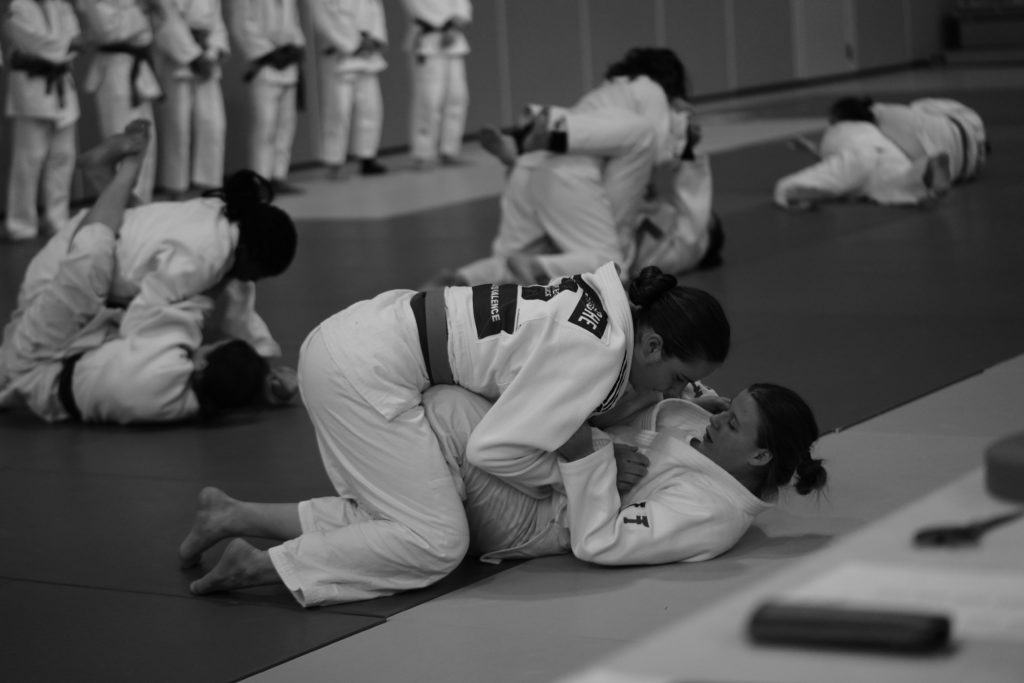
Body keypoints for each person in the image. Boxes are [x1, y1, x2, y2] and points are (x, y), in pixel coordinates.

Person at [178, 263, 731, 605]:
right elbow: (492, 449)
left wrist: (687, 398)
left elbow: (611, 393)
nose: (675, 390)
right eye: (678, 378)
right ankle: (267, 566)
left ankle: (232, 515)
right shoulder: (597, 357)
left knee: (410, 508)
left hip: (363, 339)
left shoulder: (609, 313)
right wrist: (586, 465)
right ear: (652, 345)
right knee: (435, 543)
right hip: (365, 374)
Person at [178, 377, 827, 603]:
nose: (719, 418)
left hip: (537, 519)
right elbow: (672, 421)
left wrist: (584, 457)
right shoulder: (711, 443)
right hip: (547, 482)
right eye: (727, 407)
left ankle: (269, 565)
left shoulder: (710, 512)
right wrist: (695, 400)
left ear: (760, 455)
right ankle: (238, 516)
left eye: (733, 421)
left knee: (450, 417)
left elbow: (600, 542)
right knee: (422, 494)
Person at [0, 122, 298, 423]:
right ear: (248, 253)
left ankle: (106, 174)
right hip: (61, 266)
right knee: (93, 258)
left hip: (108, 248)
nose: (254, 280)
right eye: (259, 273)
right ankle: (125, 169)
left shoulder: (227, 219)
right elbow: (145, 315)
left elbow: (236, 309)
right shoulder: (204, 259)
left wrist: (263, 368)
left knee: (126, 253)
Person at [427, 47, 691, 288]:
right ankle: (537, 266)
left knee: (514, 265)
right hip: (570, 174)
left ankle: (461, 279)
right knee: (612, 270)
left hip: (529, 166)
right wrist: (682, 129)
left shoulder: (604, 92)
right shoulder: (651, 89)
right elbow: (659, 152)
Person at [775, 96, 952, 211]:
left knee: (784, 186)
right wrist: (810, 148)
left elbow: (831, 154)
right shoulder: (874, 130)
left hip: (856, 157)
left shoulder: (837, 129)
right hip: (885, 154)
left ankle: (800, 190)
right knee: (901, 180)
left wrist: (811, 147)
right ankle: (925, 170)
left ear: (836, 117)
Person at [3, 0, 82, 242]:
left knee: (63, 157)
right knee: (29, 161)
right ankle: (21, 224)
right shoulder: (18, 7)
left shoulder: (61, 5)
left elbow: (77, 39)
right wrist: (65, 46)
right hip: (32, 91)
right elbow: (34, 43)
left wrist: (65, 46)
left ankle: (57, 219)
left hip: (63, 89)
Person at [77, 0, 164, 203]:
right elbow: (109, 31)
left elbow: (158, 22)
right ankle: (123, 205)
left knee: (146, 142)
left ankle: (143, 202)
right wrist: (140, 10)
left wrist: (146, 11)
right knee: (122, 141)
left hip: (138, 70)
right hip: (114, 70)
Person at [151, 0, 229, 199]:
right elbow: (166, 23)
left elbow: (217, 24)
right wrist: (194, 57)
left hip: (207, 63)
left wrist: (212, 52)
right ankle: (175, 188)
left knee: (213, 125)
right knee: (177, 127)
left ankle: (209, 184)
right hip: (177, 63)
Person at [229, 0, 307, 195]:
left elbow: (295, 24)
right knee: (265, 126)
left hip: (288, 65)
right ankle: (261, 179)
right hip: (264, 66)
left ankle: (279, 175)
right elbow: (241, 25)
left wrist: (295, 48)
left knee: (286, 125)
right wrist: (269, 53)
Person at [312, 0, 389, 178]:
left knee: (371, 109)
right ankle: (334, 161)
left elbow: (375, 11)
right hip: (340, 56)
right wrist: (352, 44)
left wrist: (374, 39)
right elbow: (322, 21)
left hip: (367, 56)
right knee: (338, 111)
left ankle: (367, 156)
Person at [402, 0, 471, 168]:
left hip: (453, 40)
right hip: (427, 41)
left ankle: (450, 149)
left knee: (457, 97)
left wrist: (454, 26)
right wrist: (439, 24)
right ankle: (423, 153)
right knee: (429, 101)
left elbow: (462, 4)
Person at [870, 96, 988, 185]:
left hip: (944, 144)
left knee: (876, 114)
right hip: (960, 168)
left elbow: (918, 107)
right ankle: (920, 174)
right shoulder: (974, 119)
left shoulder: (975, 119)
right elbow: (919, 108)